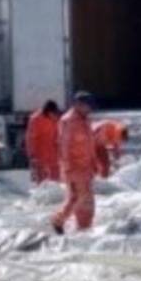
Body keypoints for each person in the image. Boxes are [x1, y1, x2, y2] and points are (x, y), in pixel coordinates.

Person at [51, 92, 97, 234]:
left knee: (81, 198)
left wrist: (93, 162)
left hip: (85, 165)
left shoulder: (84, 120)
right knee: (80, 198)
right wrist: (68, 167)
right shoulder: (69, 121)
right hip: (75, 166)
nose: (90, 109)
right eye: (87, 106)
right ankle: (65, 222)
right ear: (78, 105)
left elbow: (89, 143)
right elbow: (64, 145)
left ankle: (77, 224)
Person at [25, 100, 62, 183]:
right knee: (42, 182)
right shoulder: (35, 119)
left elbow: (58, 136)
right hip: (40, 156)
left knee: (56, 180)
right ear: (48, 111)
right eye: (53, 113)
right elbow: (30, 139)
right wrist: (32, 155)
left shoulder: (55, 118)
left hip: (53, 156)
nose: (54, 115)